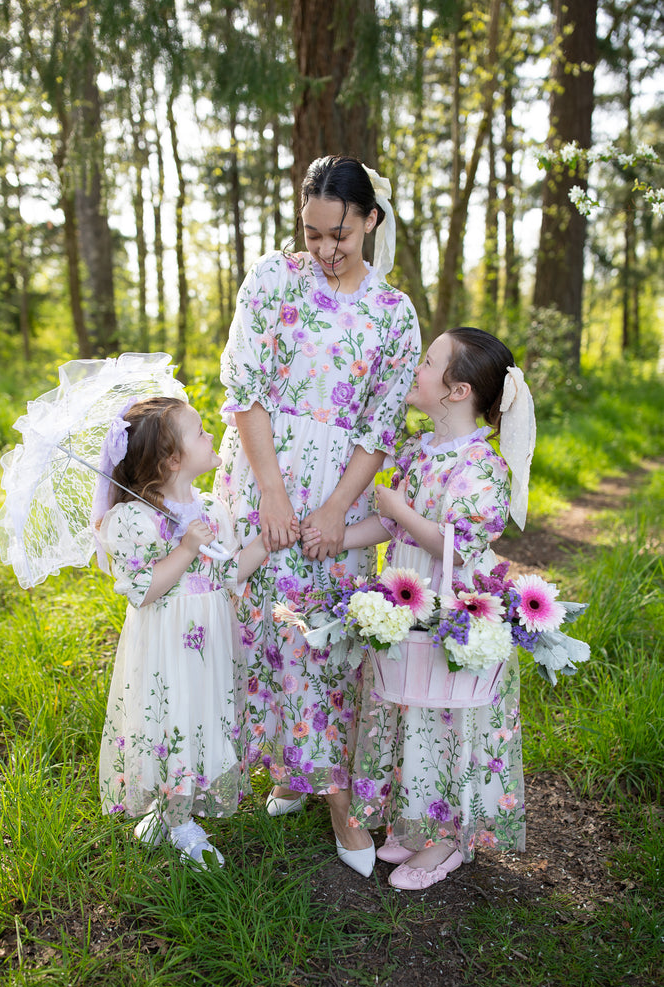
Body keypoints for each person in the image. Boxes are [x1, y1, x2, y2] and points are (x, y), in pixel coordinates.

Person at [213, 155, 421, 876]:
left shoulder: (394, 313)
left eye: (340, 234)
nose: (326, 249)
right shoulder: (273, 278)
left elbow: (381, 423)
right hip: (262, 468)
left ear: (370, 221)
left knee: (325, 639)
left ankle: (337, 796)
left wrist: (335, 509)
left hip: (341, 488)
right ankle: (286, 767)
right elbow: (244, 386)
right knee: (257, 626)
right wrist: (270, 492)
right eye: (313, 233)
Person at [303, 327, 534, 889]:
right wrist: (335, 536)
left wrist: (401, 510)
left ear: (457, 391)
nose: (416, 368)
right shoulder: (419, 449)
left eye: (429, 362)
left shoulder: (481, 464)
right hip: (409, 596)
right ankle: (415, 820)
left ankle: (448, 838)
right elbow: (390, 524)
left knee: (446, 712)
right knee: (409, 707)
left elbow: (459, 546)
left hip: (451, 607)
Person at [95, 396, 278, 869]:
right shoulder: (134, 519)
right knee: (170, 717)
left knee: (202, 713)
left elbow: (230, 571)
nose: (211, 434)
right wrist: (185, 548)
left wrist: (267, 541)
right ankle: (178, 821)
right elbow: (143, 590)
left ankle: (173, 809)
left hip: (209, 638)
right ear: (173, 460)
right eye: (199, 432)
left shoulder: (212, 508)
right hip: (167, 643)